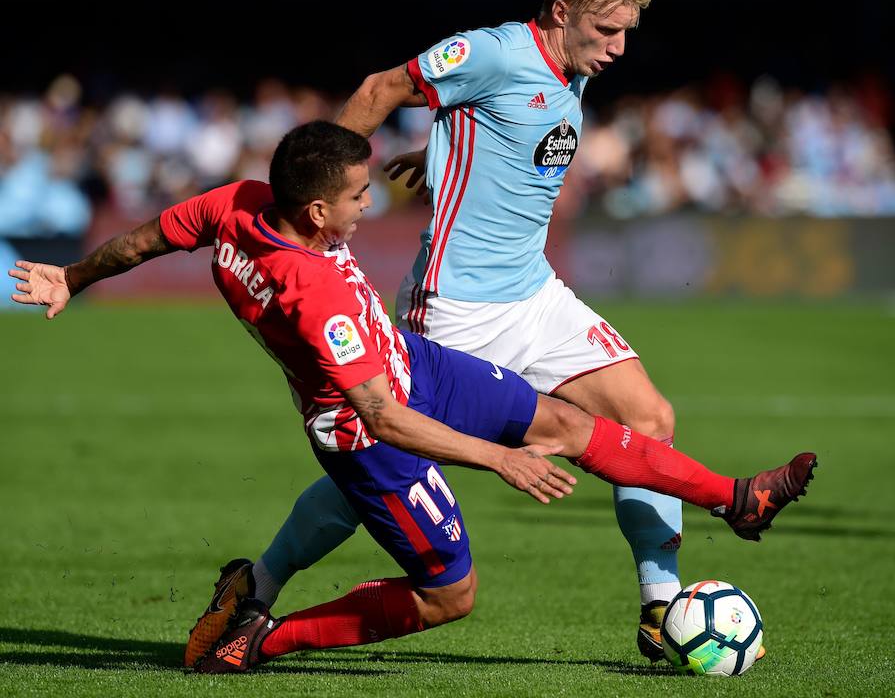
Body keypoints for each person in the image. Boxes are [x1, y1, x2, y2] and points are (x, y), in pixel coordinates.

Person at [10, 121, 815, 674]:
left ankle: (736, 499)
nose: (371, 206)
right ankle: (263, 638)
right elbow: (382, 417)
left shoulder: (238, 204)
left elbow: (144, 238)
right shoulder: (311, 291)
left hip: (415, 363)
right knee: (448, 598)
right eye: (359, 197)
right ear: (318, 211)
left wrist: (73, 277)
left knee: (573, 420)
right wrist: (499, 459)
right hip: (373, 437)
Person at [238, 0, 694, 663]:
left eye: (627, 32)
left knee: (649, 419)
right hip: (454, 308)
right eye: (607, 32)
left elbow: (513, 129)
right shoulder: (491, 52)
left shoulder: (574, 62)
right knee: (380, 461)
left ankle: (662, 610)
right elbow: (377, 91)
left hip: (535, 294)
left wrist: (447, 155)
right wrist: (300, 212)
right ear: (562, 13)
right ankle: (258, 585)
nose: (619, 48)